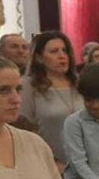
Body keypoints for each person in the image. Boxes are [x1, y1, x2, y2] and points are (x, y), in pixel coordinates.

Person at [21, 32, 82, 170]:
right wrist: (51, 162)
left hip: (84, 163)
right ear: (39, 57)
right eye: (54, 51)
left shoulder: (79, 84)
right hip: (48, 164)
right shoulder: (28, 86)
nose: (62, 56)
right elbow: (24, 130)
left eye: (64, 50)